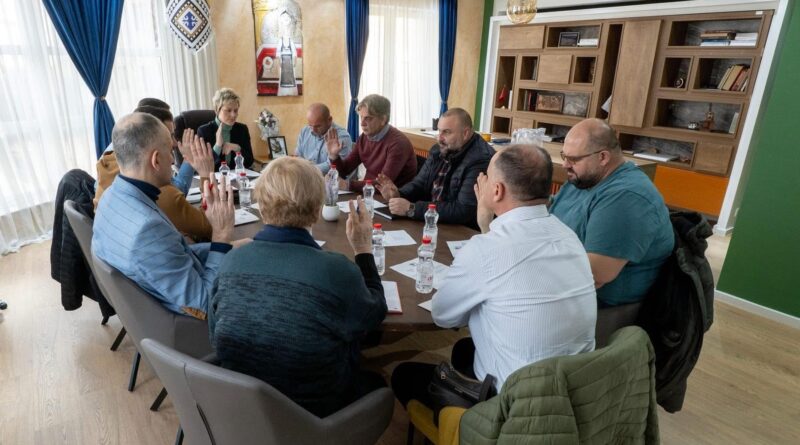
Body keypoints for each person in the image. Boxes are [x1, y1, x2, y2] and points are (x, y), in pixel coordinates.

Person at [391, 145, 597, 409]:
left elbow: (443, 316)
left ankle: (462, 428)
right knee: (464, 349)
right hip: (574, 390)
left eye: (486, 176)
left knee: (404, 375)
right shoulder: (568, 236)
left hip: (515, 405)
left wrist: (484, 233)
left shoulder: (486, 249)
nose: (482, 181)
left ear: (497, 191)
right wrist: (486, 227)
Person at [209, 157, 387, 417]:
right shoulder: (335, 270)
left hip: (239, 405)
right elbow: (374, 314)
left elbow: (215, 336)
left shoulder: (229, 261)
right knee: (378, 383)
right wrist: (363, 250)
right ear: (317, 209)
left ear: (261, 206)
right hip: (313, 415)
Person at [93, 113, 236, 319]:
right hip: (191, 331)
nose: (172, 160)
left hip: (148, 317)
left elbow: (173, 254)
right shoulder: (147, 230)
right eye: (170, 152)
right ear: (156, 159)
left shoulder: (109, 198)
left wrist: (229, 249)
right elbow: (206, 304)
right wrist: (221, 238)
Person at [549, 118, 673, 309]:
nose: (565, 165)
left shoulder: (626, 197)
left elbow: (595, 274)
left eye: (573, 159)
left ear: (603, 157)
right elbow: (551, 214)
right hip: (566, 287)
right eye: (564, 156)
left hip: (602, 305)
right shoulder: (585, 178)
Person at [94, 105, 215, 241]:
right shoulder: (159, 196)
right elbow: (214, 226)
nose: (175, 144)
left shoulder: (111, 176)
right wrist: (207, 175)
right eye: (169, 137)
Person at [376, 108, 493, 229]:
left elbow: (463, 210)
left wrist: (413, 209)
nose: (439, 138)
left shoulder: (480, 159)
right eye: (439, 131)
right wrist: (399, 193)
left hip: (462, 230)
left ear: (466, 133)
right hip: (432, 220)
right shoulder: (438, 150)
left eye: (446, 132)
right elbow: (419, 184)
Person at [325, 94, 416, 193]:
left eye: (368, 118)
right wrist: (334, 156)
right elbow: (344, 171)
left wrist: (348, 185)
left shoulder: (398, 143)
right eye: (361, 117)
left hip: (393, 200)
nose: (362, 123)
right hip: (369, 194)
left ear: (383, 120)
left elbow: (383, 184)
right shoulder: (364, 138)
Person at [197, 87, 254, 169]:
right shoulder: (204, 131)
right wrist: (218, 146)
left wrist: (237, 148)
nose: (233, 115)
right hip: (215, 179)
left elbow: (249, 162)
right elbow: (203, 166)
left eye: (236, 110)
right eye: (228, 110)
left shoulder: (242, 129)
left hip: (237, 178)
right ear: (217, 110)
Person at [295, 103, 352, 174]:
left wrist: (307, 170)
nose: (313, 130)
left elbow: (334, 166)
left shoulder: (342, 137)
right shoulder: (304, 131)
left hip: (331, 180)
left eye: (318, 126)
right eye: (310, 125)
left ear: (329, 120)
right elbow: (298, 157)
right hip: (307, 176)